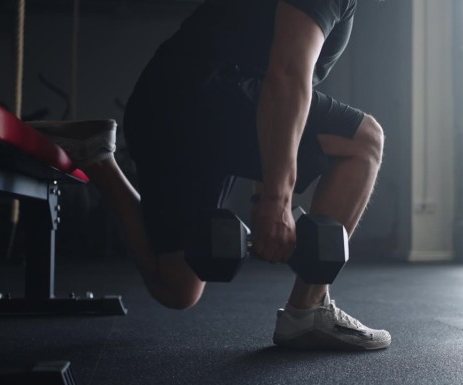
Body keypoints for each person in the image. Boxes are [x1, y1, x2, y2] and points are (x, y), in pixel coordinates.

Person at [34, 0, 389, 351]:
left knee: (177, 287)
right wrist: (276, 200)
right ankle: (308, 311)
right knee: (364, 141)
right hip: (209, 99)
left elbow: (278, 95)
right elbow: (285, 76)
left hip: (163, 104)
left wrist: (264, 194)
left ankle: (96, 157)